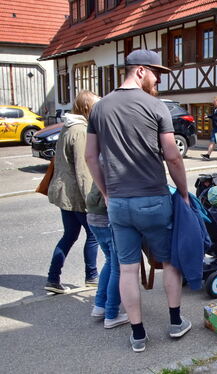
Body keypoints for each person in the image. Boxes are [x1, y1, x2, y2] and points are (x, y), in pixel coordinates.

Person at [85, 49, 191, 353]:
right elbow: (172, 155)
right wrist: (182, 194)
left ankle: (138, 334)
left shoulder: (100, 108)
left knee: (128, 269)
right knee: (170, 262)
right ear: (141, 71)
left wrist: (106, 193)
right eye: (156, 73)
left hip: (118, 203)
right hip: (153, 199)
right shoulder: (155, 106)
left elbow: (91, 156)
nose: (158, 79)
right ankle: (174, 323)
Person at [44, 90, 99, 293]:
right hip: (78, 197)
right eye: (96, 107)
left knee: (69, 236)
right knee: (93, 235)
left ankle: (52, 278)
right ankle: (92, 276)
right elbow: (83, 170)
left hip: (65, 194)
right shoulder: (81, 131)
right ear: (87, 108)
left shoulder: (68, 127)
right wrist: (91, 201)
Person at [87, 183, 129, 329]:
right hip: (108, 219)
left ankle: (100, 306)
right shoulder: (115, 162)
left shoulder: (101, 160)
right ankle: (111, 314)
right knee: (118, 268)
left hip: (93, 216)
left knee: (110, 262)